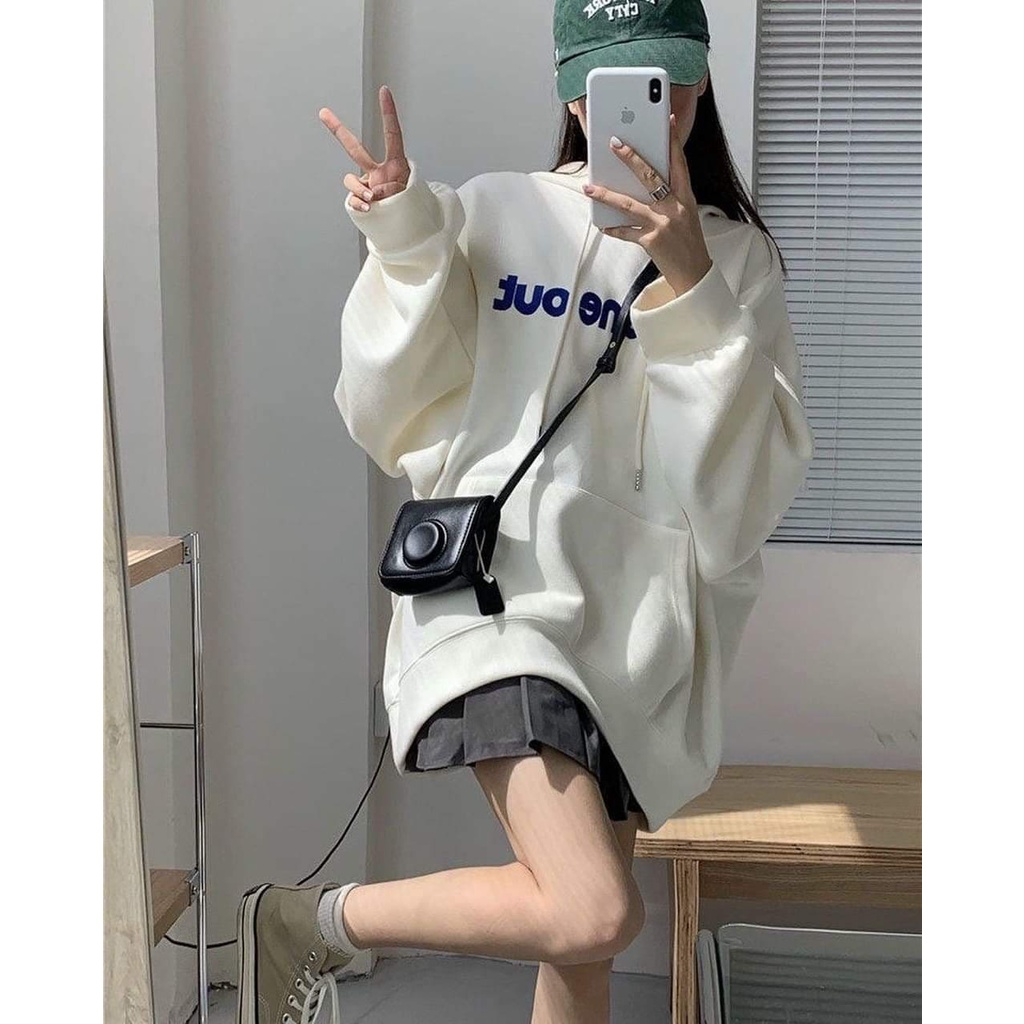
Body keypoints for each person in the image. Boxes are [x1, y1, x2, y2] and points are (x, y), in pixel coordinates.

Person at [235, 1, 815, 1021]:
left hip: (635, 639)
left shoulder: (738, 261)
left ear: (700, 80)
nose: (649, 109)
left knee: (578, 947)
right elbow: (393, 403)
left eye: (667, 80)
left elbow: (741, 492)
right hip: (498, 601)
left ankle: (308, 922)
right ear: (572, 94)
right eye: (613, 83)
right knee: (593, 910)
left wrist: (691, 282)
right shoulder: (495, 210)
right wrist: (406, 235)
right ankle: (310, 921)